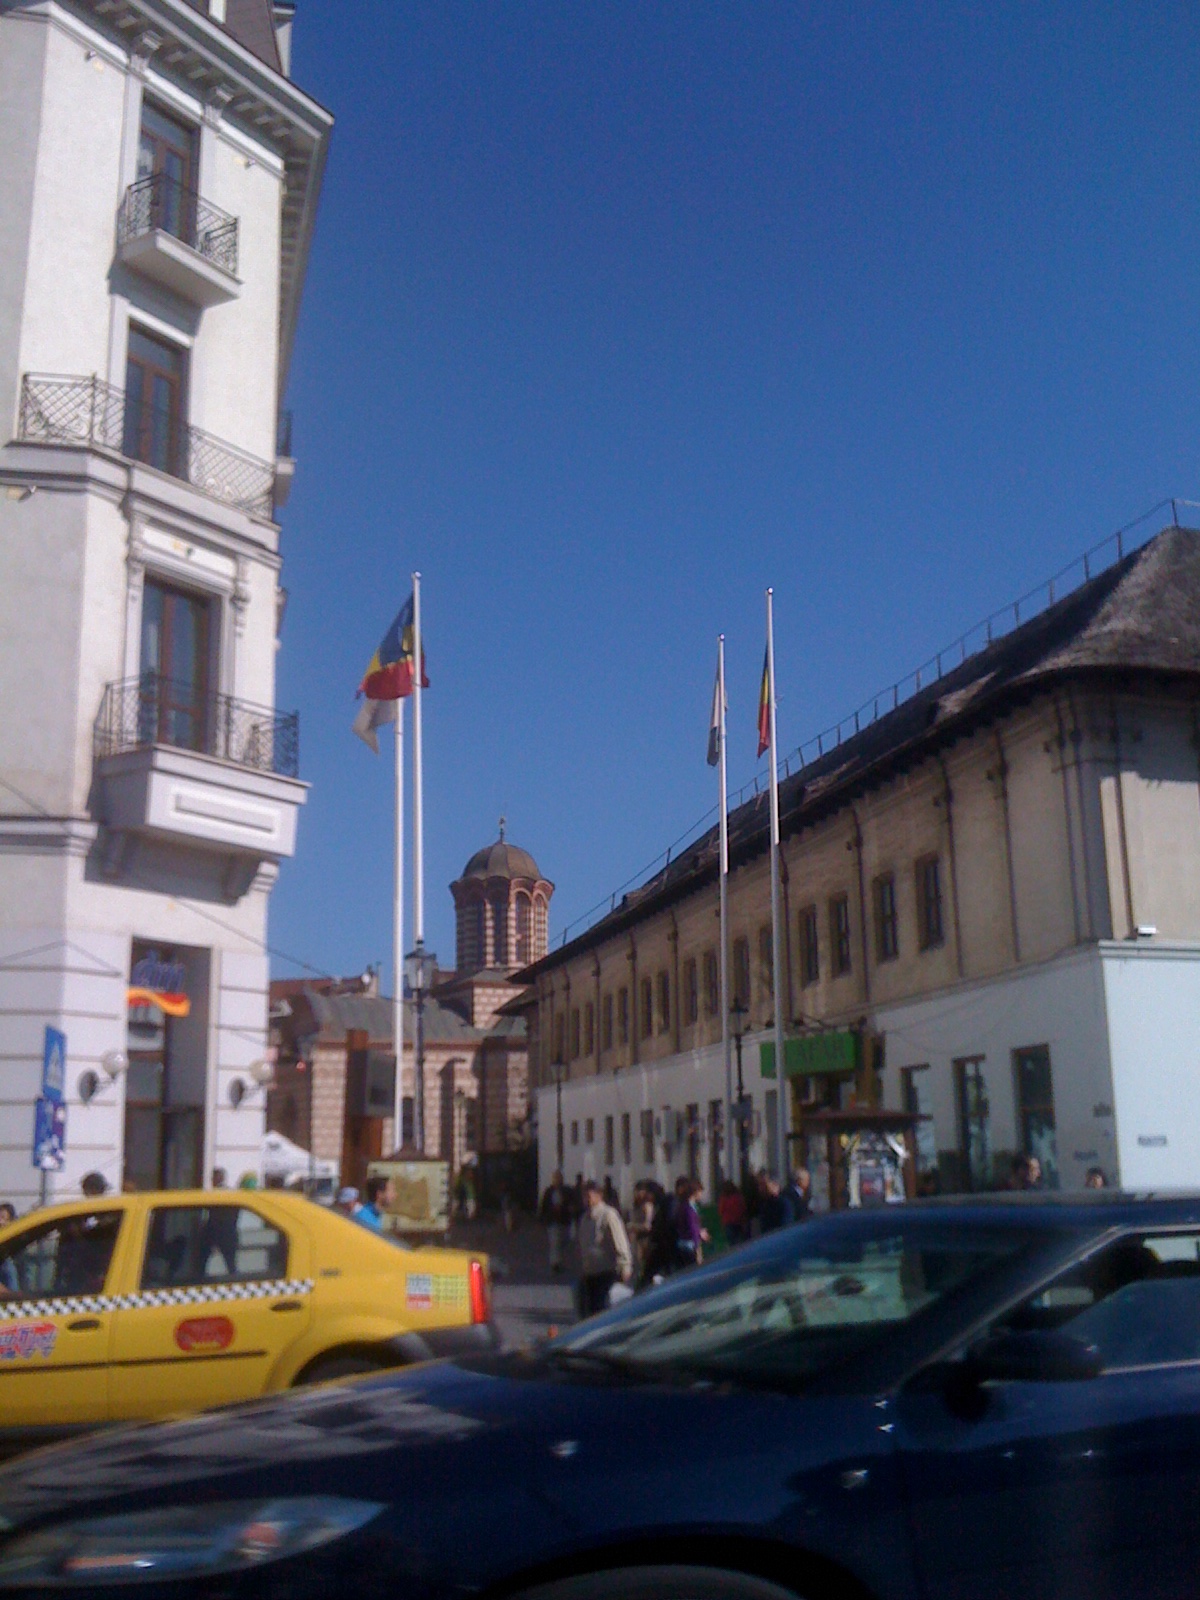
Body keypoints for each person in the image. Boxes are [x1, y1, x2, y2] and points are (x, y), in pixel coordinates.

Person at [577, 1177, 633, 1316]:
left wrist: (625, 1265)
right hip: (589, 1273)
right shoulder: (584, 1218)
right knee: (587, 1312)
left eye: (589, 1196)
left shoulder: (608, 1215)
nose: (586, 1200)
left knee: (602, 1311)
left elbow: (620, 1242)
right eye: (584, 1196)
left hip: (606, 1273)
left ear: (599, 1195)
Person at [539, 1170, 574, 1273]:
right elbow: (544, 1206)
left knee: (563, 1241)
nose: (557, 1180)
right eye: (556, 1178)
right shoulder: (549, 1191)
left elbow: (572, 1203)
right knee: (554, 1242)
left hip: (564, 1220)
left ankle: (559, 1260)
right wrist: (542, 1218)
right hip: (552, 1221)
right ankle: (555, 1263)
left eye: (559, 1178)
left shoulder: (567, 1191)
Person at [671, 1177, 709, 1270]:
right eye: (700, 1192)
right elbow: (692, 1228)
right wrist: (697, 1249)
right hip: (689, 1245)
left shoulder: (684, 1206)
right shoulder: (689, 1209)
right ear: (695, 1192)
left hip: (682, 1243)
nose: (701, 1194)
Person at [717, 1179, 748, 1246]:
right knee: (741, 1242)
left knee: (732, 1242)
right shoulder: (738, 1196)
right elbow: (743, 1208)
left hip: (728, 1222)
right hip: (739, 1221)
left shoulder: (724, 1198)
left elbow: (721, 1210)